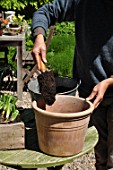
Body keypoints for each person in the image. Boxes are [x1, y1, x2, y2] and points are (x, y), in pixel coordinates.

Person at [31, 0, 113, 169]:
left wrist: (109, 82)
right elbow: (46, 11)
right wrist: (39, 36)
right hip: (90, 95)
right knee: (101, 157)